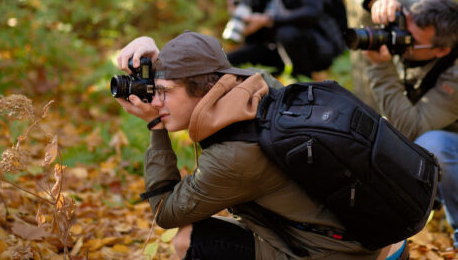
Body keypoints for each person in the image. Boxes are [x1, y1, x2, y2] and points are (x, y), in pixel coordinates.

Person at [115, 31, 407, 260]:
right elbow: (203, 60)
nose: (154, 101)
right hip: (368, 236)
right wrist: (152, 50)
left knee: (189, 239)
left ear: (201, 89)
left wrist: (155, 127)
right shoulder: (257, 86)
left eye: (163, 92)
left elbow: (165, 212)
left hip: (338, 253)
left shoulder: (234, 157)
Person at [346, 0, 458, 258]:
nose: (401, 40)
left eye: (411, 41)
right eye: (404, 28)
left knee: (433, 144)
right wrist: (378, 0)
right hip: (426, 138)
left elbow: (411, 128)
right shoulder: (416, 14)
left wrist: (380, 69)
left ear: (441, 51)